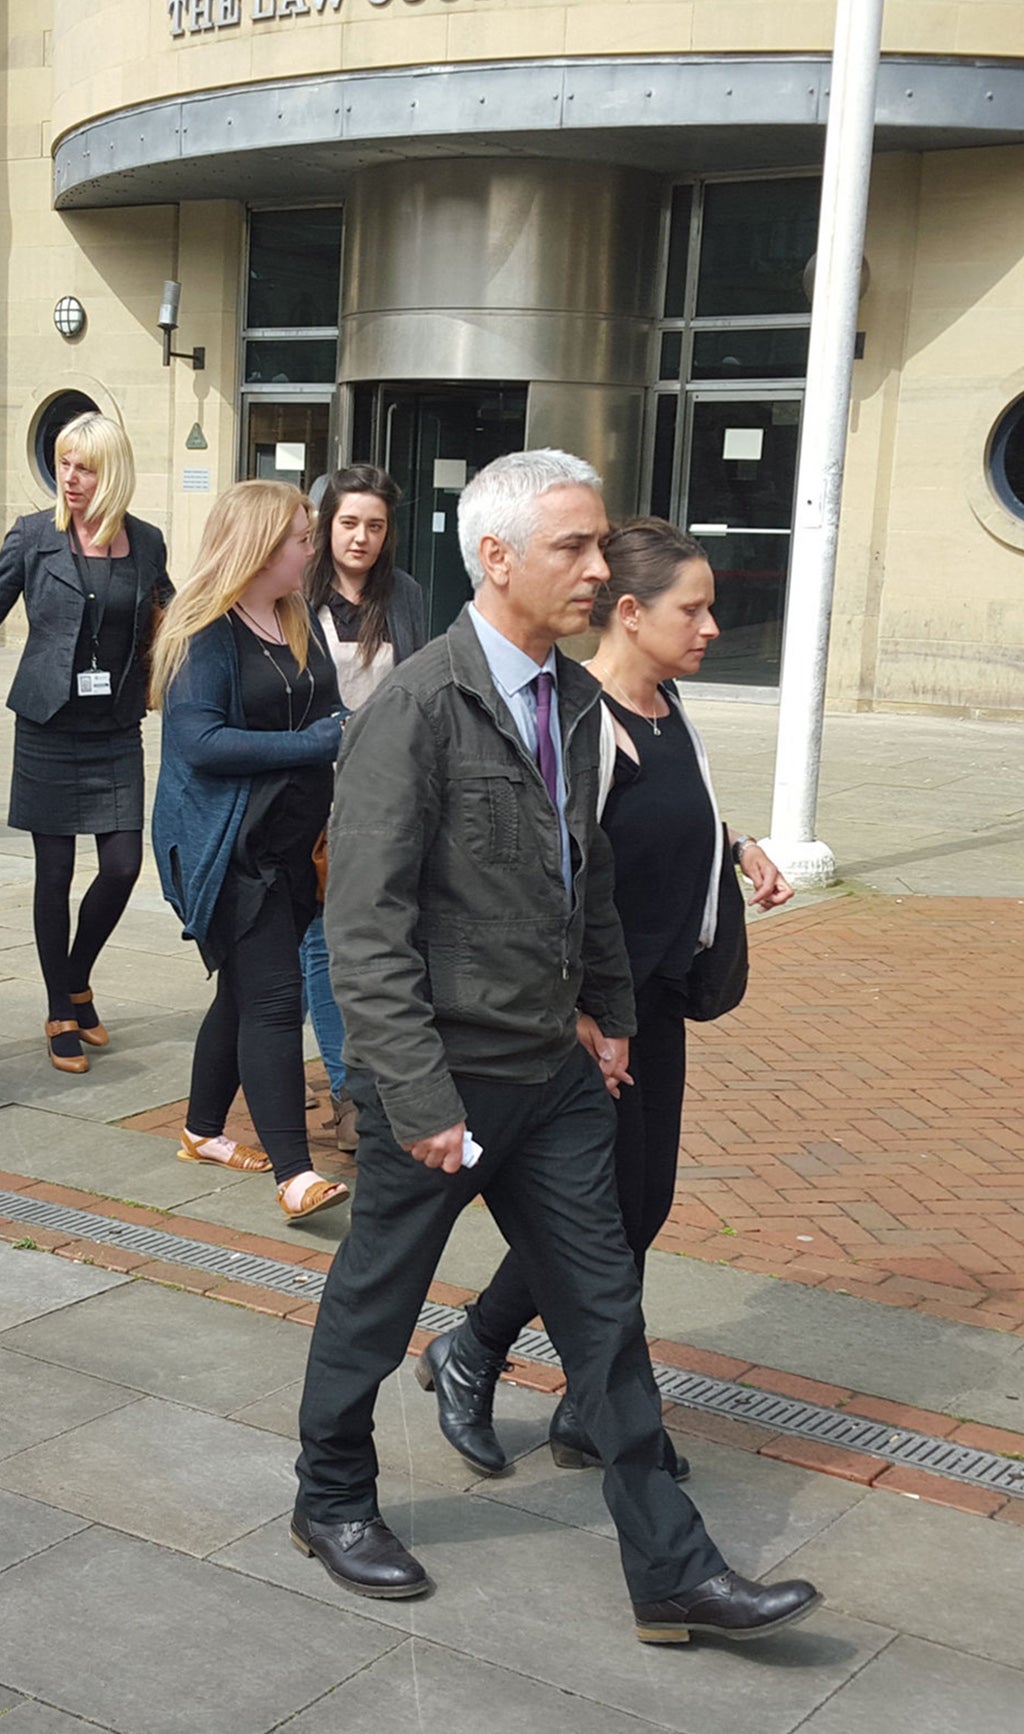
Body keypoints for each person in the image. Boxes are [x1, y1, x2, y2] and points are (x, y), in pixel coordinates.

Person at [291, 450, 820, 1644]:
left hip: (555, 1073)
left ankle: (672, 1574)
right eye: (571, 548)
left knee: (604, 1316)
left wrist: (612, 1012)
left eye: (595, 548)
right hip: (440, 1085)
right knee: (376, 1304)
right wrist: (417, 1095)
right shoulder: (413, 712)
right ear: (495, 558)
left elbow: (581, 884)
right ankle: (328, 1497)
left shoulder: (576, 707)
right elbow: (361, 926)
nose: (595, 569)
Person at [424, 516, 792, 1479]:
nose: (712, 626)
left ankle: (549, 1386)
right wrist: (582, 1014)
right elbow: (548, 874)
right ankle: (499, 1361)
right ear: (629, 613)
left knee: (644, 1206)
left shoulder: (669, 710)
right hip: (587, 1019)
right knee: (596, 1216)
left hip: (655, 1000)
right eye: (694, 608)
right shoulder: (582, 722)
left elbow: (677, 819)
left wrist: (736, 842)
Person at [0, 412, 174, 1071]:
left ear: (111, 471)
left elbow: (175, 627)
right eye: (63, 463)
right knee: (54, 873)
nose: (70, 477)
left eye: (84, 466)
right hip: (47, 728)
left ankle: (78, 977)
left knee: (121, 867)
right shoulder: (33, 537)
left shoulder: (146, 544)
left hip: (114, 729)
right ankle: (60, 1005)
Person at [150, 480, 349, 1222]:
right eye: (301, 537)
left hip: (296, 847)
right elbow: (198, 743)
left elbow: (322, 704)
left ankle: (203, 1131)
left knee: (238, 994)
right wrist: (315, 743)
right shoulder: (205, 630)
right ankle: (296, 1177)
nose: (311, 549)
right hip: (231, 853)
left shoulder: (297, 618)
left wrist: (345, 724)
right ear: (261, 547)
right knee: (273, 998)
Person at [300, 465, 428, 1159]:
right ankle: (350, 1092)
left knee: (378, 942)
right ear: (326, 527)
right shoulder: (297, 595)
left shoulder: (402, 595)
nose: (362, 538)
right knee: (319, 941)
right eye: (349, 523)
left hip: (384, 794)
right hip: (309, 794)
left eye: (375, 526)